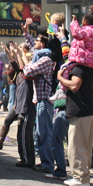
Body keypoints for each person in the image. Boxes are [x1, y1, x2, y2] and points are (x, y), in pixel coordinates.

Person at [57, 47, 93, 186]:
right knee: (85, 146)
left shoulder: (78, 68)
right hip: (89, 111)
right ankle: (84, 177)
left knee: (76, 145)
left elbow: (75, 85)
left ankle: (79, 177)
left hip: (81, 112)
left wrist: (60, 78)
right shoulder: (88, 68)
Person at [0, 46, 36, 169]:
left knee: (24, 135)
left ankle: (27, 160)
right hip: (19, 105)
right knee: (19, 132)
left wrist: (20, 52)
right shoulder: (21, 74)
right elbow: (16, 65)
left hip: (26, 107)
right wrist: (9, 52)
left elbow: (22, 66)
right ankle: (24, 158)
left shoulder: (29, 75)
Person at [22, 35, 57, 175]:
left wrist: (26, 62)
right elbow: (33, 48)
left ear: (43, 44)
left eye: (37, 40)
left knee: (44, 133)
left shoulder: (45, 60)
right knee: (40, 133)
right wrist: (26, 33)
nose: (34, 44)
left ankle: (47, 163)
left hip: (44, 100)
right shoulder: (43, 57)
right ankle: (45, 161)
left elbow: (28, 71)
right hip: (41, 100)